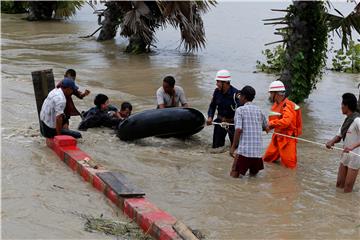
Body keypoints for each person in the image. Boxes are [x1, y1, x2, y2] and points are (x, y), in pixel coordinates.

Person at [230, 86, 268, 177]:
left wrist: (233, 147)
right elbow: (266, 127)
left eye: (240, 96)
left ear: (243, 97)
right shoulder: (259, 110)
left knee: (234, 175)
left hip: (244, 152)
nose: (239, 98)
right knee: (253, 178)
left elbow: (238, 129)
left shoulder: (240, 110)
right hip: (257, 154)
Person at [263, 80, 302, 169]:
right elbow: (276, 120)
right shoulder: (277, 104)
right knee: (267, 159)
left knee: (290, 167)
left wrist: (271, 124)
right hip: (277, 137)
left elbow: (286, 122)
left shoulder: (287, 105)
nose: (270, 95)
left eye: (271, 93)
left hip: (287, 139)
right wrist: (269, 126)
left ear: (276, 94)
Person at [326, 93, 360, 193]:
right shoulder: (346, 120)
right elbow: (339, 135)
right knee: (339, 184)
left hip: (355, 156)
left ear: (347, 106)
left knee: (347, 188)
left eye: (342, 105)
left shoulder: (357, 120)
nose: (341, 107)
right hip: (345, 154)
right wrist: (331, 142)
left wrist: (352, 147)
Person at [207, 69, 241, 149]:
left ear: (225, 83)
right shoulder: (216, 92)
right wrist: (210, 117)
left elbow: (241, 111)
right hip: (220, 122)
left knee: (236, 148)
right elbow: (212, 106)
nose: (216, 84)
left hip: (232, 124)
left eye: (218, 82)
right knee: (216, 148)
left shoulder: (236, 94)